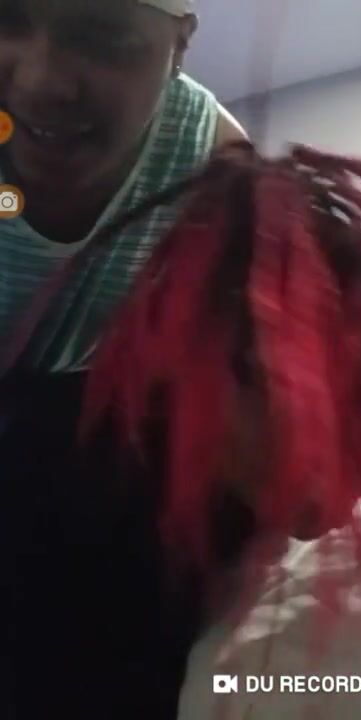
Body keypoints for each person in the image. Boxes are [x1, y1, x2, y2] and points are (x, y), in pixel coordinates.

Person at [0, 2, 248, 719]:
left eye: (103, 36)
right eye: (6, 21)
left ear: (179, 47)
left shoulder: (213, 163)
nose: (43, 81)